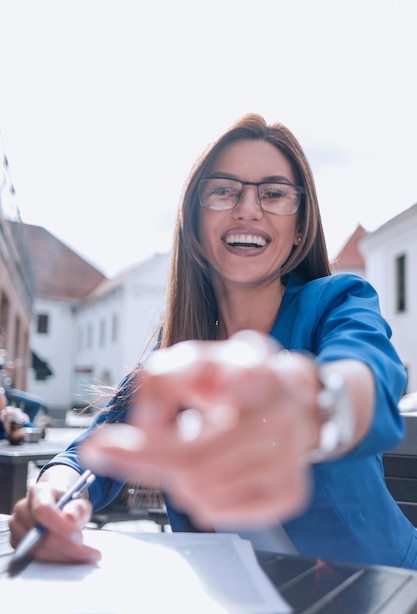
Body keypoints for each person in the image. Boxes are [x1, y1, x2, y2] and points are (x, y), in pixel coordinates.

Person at [9, 114, 416, 570]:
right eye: (224, 190)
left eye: (274, 193)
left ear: (301, 226)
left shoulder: (339, 301)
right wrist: (51, 497)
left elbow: (371, 382)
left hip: (380, 589)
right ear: (195, 221)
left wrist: (310, 404)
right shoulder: (178, 350)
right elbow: (90, 452)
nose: (248, 208)